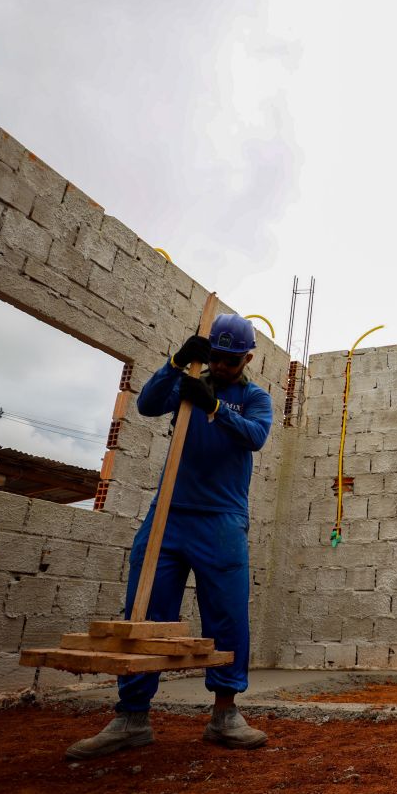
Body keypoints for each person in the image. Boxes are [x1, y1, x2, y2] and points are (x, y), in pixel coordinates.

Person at [66, 313, 274, 760]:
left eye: (231, 360)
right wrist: (176, 363)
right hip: (168, 515)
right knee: (145, 611)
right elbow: (147, 405)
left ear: (247, 359)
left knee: (227, 617)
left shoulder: (254, 397)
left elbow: (256, 436)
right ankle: (132, 717)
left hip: (222, 520)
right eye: (215, 357)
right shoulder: (188, 380)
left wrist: (215, 408)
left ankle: (225, 714)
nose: (221, 366)